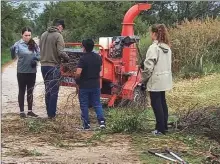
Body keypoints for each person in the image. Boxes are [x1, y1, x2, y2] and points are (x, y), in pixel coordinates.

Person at [141, 24, 172, 135]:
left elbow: (149, 66)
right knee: (162, 102)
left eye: (151, 33)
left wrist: (143, 79)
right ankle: (164, 126)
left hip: (155, 79)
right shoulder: (167, 47)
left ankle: (160, 129)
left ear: (154, 34)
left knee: (156, 104)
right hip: (165, 79)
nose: (150, 35)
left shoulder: (154, 48)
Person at [39, 19, 69, 119]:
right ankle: (52, 115)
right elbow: (61, 52)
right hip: (53, 66)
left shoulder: (43, 35)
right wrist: (68, 58)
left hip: (43, 66)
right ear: (60, 26)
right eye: (62, 29)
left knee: (47, 90)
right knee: (54, 91)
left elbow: (41, 49)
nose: (62, 31)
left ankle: (49, 112)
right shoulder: (58, 35)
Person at [75, 39, 106, 130]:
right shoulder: (98, 57)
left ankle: (86, 125)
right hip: (95, 84)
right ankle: (102, 122)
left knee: (84, 104)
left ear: (84, 47)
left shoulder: (83, 58)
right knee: (97, 103)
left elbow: (78, 72)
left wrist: (77, 81)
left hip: (84, 85)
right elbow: (100, 69)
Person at [11, 27, 40, 118]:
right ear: (22, 35)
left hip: (32, 71)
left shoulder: (34, 44)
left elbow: (39, 55)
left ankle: (30, 111)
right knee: (22, 90)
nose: (27, 37)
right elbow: (13, 57)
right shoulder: (18, 44)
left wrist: (35, 59)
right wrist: (12, 51)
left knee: (30, 91)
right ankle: (22, 111)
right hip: (22, 71)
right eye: (26, 35)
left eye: (29, 35)